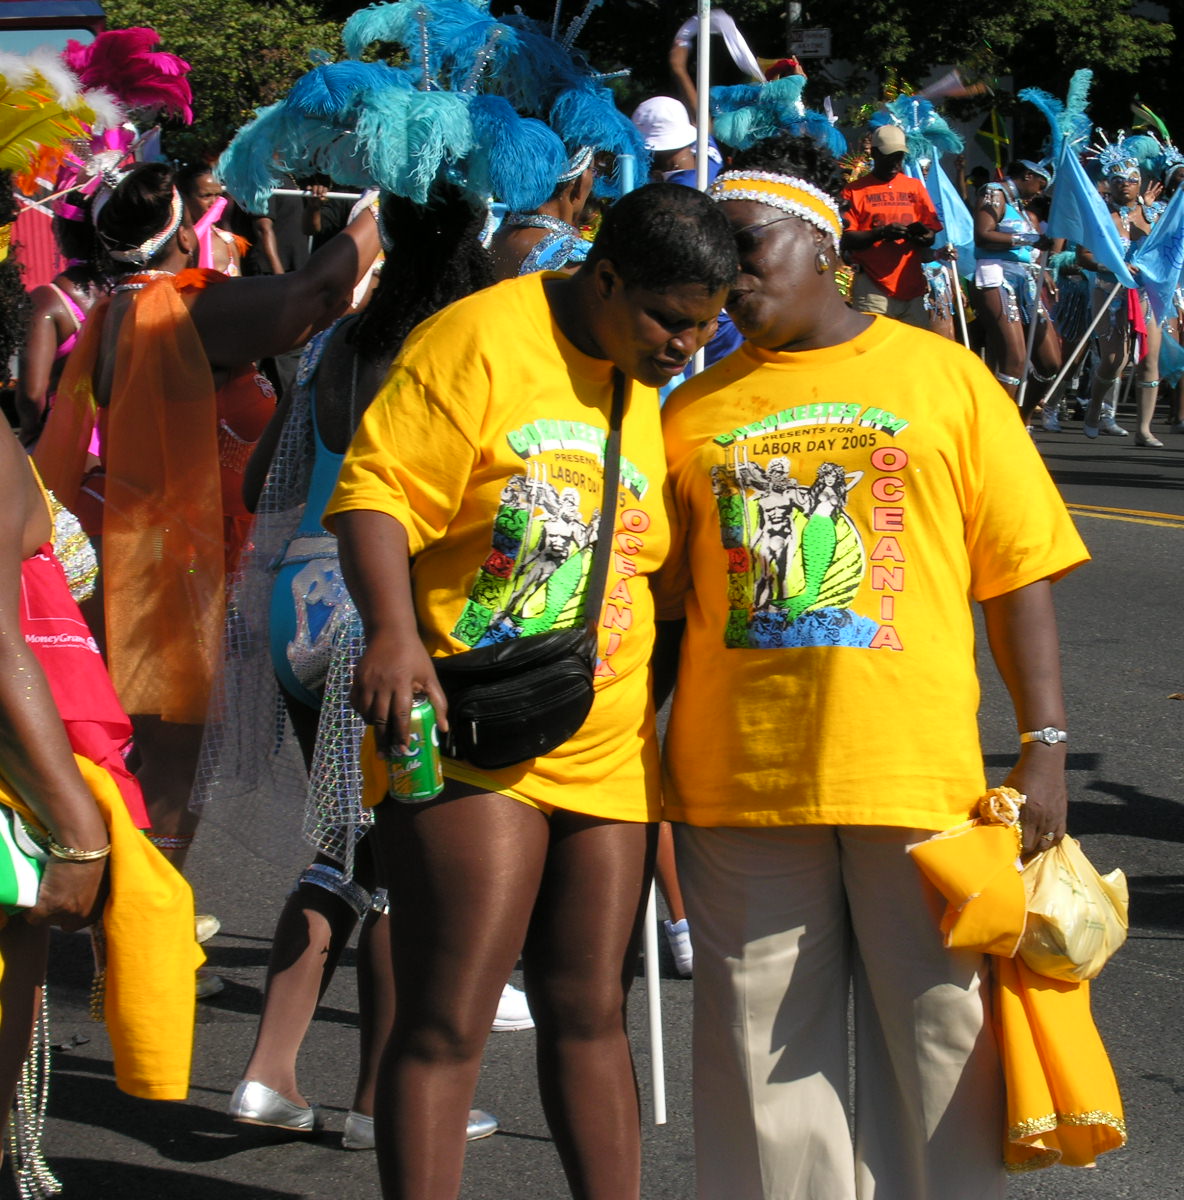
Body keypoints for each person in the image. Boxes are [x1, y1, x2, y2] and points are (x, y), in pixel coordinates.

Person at [656, 133, 1089, 1200]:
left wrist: (1041, 746)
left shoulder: (945, 379)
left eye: (747, 245)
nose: (728, 275)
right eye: (712, 256)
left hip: (917, 780)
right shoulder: (686, 412)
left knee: (943, 1047)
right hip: (737, 786)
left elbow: (1015, 574)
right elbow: (658, 618)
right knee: (759, 1065)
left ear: (818, 239)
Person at [325, 181, 737, 1199]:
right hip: (468, 724)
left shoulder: (651, 385)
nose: (684, 345)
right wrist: (389, 634)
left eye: (703, 326)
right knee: (450, 1014)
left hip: (605, 741)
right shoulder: (476, 340)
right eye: (668, 320)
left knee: (588, 1003)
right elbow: (374, 494)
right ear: (602, 277)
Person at [211, 188, 507, 1148]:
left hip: (298, 601)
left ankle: (275, 1076)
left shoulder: (338, 348)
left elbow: (264, 483)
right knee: (396, 859)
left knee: (351, 846)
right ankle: (382, 1101)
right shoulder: (457, 350)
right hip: (388, 618)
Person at [34, 163, 378, 887]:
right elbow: (312, 295)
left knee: (155, 766)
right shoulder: (183, 307)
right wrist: (380, 215)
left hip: (162, 559)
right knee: (168, 777)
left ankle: (134, 925)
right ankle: (136, 941)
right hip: (182, 573)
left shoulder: (120, 306)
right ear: (187, 232)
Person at [973, 159, 1065, 424]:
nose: (1039, 192)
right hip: (997, 277)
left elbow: (1027, 253)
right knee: (1014, 359)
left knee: (1050, 363)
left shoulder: (1020, 208)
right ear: (1027, 175)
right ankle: (999, 428)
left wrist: (1042, 268)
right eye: (1040, 184)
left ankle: (1020, 419)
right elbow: (983, 234)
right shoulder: (993, 192)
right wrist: (1031, 239)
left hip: (1027, 283)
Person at [15, 198, 108, 447]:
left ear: (60, 232)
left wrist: (28, 433)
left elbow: (32, 395)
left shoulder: (47, 301)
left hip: (70, 443)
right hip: (124, 431)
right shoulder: (128, 289)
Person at [841, 123, 943, 328]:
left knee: (913, 354)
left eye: (899, 156)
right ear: (875, 154)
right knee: (875, 354)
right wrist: (880, 233)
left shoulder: (914, 187)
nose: (896, 162)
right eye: (890, 156)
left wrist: (923, 235)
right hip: (873, 285)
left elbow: (931, 233)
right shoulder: (854, 190)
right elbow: (846, 238)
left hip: (911, 286)